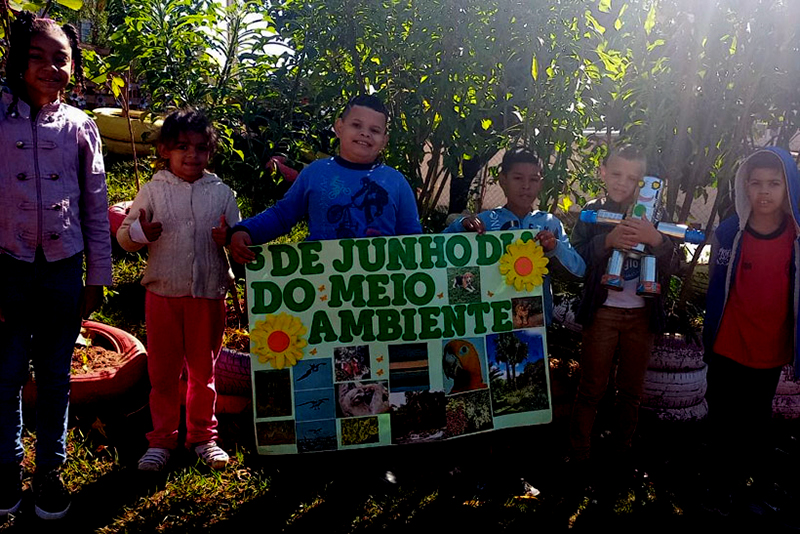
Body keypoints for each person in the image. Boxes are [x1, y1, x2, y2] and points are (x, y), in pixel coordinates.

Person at [0, 13, 112, 519]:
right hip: (7, 270)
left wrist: (98, 276)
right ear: (16, 61)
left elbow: (95, 204)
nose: (50, 67)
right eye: (37, 56)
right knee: (3, 375)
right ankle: (5, 471)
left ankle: (50, 473)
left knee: (54, 377)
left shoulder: (80, 127)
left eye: (61, 58)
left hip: (64, 272)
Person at [117, 109, 240, 473]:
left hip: (208, 295)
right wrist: (141, 234)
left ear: (210, 153)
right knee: (164, 373)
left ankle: (203, 436)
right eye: (182, 146)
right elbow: (125, 237)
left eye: (201, 148)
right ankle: (161, 439)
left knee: (205, 371)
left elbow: (239, 237)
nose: (192, 155)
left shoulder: (221, 193)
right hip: (163, 295)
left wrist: (230, 239)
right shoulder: (153, 190)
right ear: (165, 151)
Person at [702, 147, 800, 514]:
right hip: (729, 342)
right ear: (744, 186)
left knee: (755, 420)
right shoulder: (731, 232)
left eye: (774, 183)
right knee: (723, 418)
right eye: (756, 183)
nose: (764, 192)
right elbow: (716, 285)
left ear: (789, 187)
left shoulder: (796, 237)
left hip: (770, 347)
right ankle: (717, 486)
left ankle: (749, 486)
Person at [569, 145, 678, 468]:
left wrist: (656, 239)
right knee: (591, 387)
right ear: (602, 172)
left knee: (630, 390)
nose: (622, 183)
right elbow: (576, 260)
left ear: (643, 182)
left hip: (642, 316)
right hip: (602, 313)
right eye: (616, 173)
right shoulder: (593, 211)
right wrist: (608, 241)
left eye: (632, 178)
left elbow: (676, 263)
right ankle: (579, 455)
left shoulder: (656, 215)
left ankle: (620, 452)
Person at [226, 94, 421, 263]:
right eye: (356, 125)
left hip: (380, 291)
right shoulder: (315, 173)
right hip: (322, 290)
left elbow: (414, 242)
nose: (365, 133)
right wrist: (246, 231)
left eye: (375, 130)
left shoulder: (397, 182)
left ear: (384, 141)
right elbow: (283, 215)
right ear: (339, 127)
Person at [442, 148, 585, 322]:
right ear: (503, 180)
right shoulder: (485, 222)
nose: (526, 186)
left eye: (534, 179)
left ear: (541, 184)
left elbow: (579, 270)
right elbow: (437, 248)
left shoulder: (549, 224)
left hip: (534, 322)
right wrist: (461, 226)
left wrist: (555, 247)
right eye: (518, 178)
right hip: (490, 317)